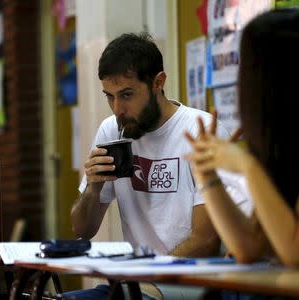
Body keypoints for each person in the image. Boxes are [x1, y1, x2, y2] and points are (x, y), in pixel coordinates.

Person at [65, 32, 247, 300]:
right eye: (109, 96)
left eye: (127, 95)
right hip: (138, 283)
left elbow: (206, 241)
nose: (117, 109)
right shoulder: (111, 130)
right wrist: (93, 188)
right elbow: (82, 230)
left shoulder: (200, 131)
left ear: (158, 82)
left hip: (194, 281)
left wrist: (143, 276)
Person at [184, 8, 299, 268]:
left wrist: (248, 167)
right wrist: (208, 177)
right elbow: (249, 247)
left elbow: (297, 252)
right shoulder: (287, 150)